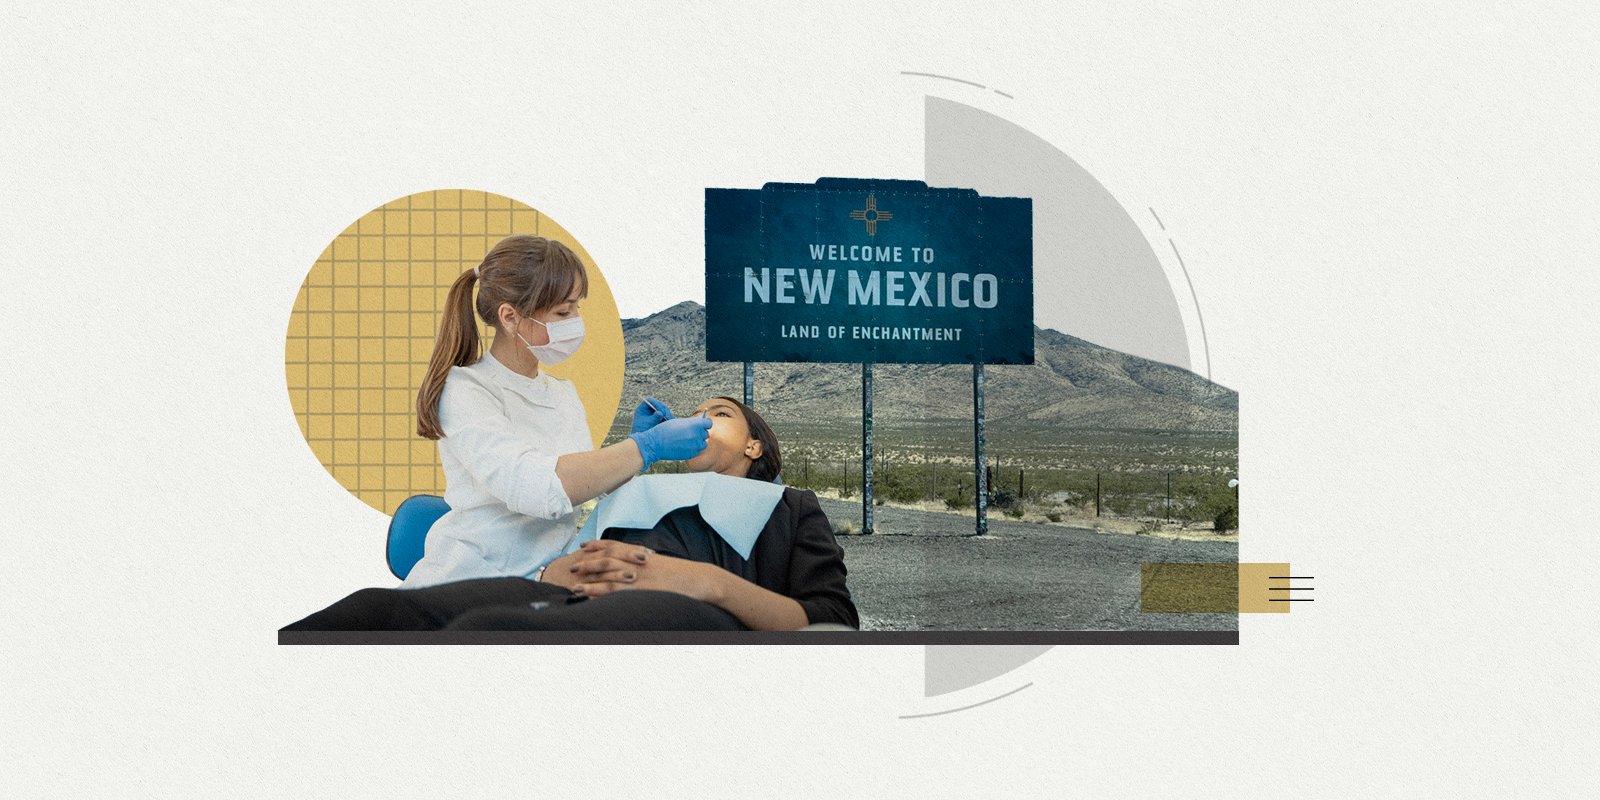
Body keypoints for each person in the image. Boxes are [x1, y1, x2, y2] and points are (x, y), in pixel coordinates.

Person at [282, 396, 857, 631]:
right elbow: (553, 518)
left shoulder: (790, 507)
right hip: (564, 590)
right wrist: (553, 568)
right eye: (695, 411)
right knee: (372, 613)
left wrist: (700, 582)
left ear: (754, 447)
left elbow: (833, 622)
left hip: (686, 608)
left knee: (492, 634)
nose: (702, 418)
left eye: (722, 414)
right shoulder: (633, 490)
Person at [399, 234, 714, 589]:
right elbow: (537, 489)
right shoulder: (467, 389)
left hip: (548, 577)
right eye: (564, 312)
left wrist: (633, 448)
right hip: (472, 577)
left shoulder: (563, 394)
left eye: (577, 307)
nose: (576, 320)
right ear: (510, 317)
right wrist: (644, 447)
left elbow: (579, 486)